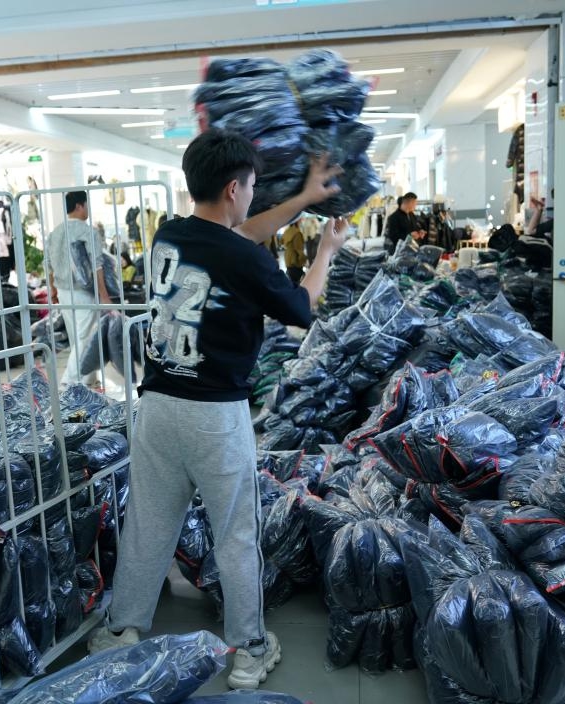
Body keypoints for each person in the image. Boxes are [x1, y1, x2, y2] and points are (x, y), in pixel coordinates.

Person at [88, 129, 347, 690]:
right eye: (251, 187)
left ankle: (121, 630)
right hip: (215, 417)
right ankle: (250, 651)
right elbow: (302, 307)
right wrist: (324, 250)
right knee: (235, 534)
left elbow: (238, 237)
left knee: (149, 526)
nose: (252, 198)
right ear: (234, 188)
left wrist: (302, 198)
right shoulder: (242, 261)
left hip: (156, 406)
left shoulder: (169, 235)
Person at [44, 190, 111, 385]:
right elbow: (97, 265)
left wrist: (53, 289)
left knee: (77, 337)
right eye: (86, 205)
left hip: (63, 291)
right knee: (84, 337)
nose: (87, 209)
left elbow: (47, 264)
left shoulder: (55, 232)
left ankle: (87, 378)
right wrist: (104, 295)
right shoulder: (87, 231)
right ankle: (68, 382)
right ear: (79, 206)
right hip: (83, 292)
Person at [281, 219, 306, 284]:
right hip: (294, 259)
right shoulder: (297, 233)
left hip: (287, 257)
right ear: (297, 221)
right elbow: (299, 249)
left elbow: (281, 242)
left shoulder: (287, 231)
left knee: (291, 279)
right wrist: (304, 260)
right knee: (296, 282)